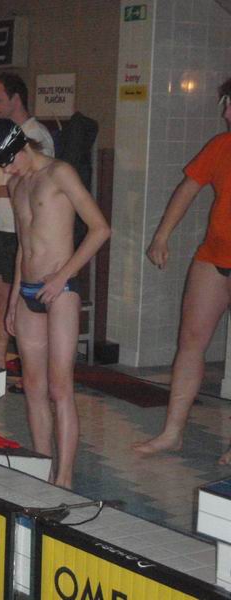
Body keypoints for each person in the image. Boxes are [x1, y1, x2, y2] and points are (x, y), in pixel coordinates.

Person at [0, 120, 110, 488]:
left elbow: (100, 228)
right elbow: (24, 245)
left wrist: (62, 275)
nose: (8, 171)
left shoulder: (60, 173)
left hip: (62, 289)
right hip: (27, 292)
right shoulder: (15, 184)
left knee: (60, 389)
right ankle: (44, 470)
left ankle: (64, 478)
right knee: (33, 387)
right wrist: (13, 299)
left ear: (23, 146)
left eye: (10, 162)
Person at [134, 79, 231, 461]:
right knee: (190, 343)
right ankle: (172, 433)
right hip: (213, 258)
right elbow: (188, 188)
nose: (226, 112)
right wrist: (161, 235)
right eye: (225, 103)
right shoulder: (221, 146)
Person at [0, 73, 55, 370]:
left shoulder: (36, 135)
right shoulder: (3, 135)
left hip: (24, 230)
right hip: (2, 227)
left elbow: (37, 184)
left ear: (16, 99)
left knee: (23, 298)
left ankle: (31, 359)